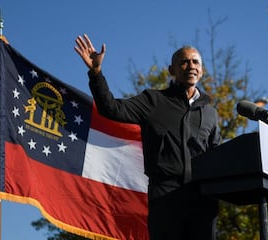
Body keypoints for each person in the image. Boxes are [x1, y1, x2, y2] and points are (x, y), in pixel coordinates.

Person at [75, 34, 222, 240]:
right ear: (172, 70)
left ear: (202, 70)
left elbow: (218, 156)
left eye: (195, 61)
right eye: (184, 62)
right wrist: (96, 72)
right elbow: (111, 108)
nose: (191, 66)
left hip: (203, 200)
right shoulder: (154, 100)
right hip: (166, 199)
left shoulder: (210, 113)